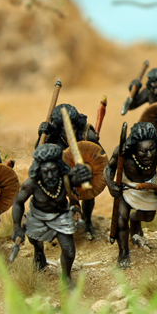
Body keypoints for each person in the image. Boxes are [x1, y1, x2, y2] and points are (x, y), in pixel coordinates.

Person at [11, 144, 92, 287]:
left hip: (61, 216)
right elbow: (18, 202)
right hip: (38, 217)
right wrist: (17, 227)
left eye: (53, 170)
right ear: (39, 170)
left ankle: (66, 277)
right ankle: (39, 252)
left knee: (69, 251)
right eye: (45, 172)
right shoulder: (32, 183)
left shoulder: (65, 179)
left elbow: (80, 179)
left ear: (59, 167)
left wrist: (85, 173)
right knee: (34, 240)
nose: (50, 176)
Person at [105, 122, 157, 269]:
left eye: (151, 149)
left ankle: (135, 219)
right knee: (121, 220)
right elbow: (108, 169)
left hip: (149, 187)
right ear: (135, 148)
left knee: (149, 217)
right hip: (127, 187)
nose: (149, 155)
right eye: (143, 151)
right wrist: (111, 185)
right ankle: (123, 252)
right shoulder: (123, 153)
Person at [37, 103, 103, 240]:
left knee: (88, 196)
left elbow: (100, 157)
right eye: (65, 129)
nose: (70, 131)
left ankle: (88, 221)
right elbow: (39, 152)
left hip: (84, 172)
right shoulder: (53, 137)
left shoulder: (86, 135)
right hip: (61, 174)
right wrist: (41, 135)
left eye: (73, 127)